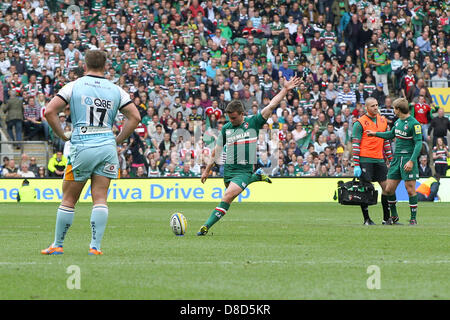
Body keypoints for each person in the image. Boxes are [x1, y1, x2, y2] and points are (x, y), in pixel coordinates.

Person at [41, 50, 140, 256]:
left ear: (84, 65)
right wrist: (118, 139)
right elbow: (135, 117)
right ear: (106, 66)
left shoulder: (74, 86)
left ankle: (58, 244)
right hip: (106, 146)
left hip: (83, 144)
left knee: (69, 198)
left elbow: (50, 111)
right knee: (100, 198)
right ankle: (95, 247)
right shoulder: (116, 90)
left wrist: (61, 135)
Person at [197, 76, 302, 236]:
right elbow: (216, 152)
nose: (231, 121)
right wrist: (207, 170)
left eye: (234, 118)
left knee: (227, 197)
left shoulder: (253, 122)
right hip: (229, 172)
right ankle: (256, 177)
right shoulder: (226, 128)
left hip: (243, 172)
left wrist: (285, 90)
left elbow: (271, 105)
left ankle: (205, 227)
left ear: (242, 114)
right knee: (229, 196)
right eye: (229, 118)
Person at [367, 98, 423, 225]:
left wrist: (412, 161)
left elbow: (418, 144)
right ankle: (394, 216)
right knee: (388, 189)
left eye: (394, 108)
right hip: (396, 159)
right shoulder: (398, 122)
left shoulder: (414, 124)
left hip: (408, 159)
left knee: (410, 189)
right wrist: (375, 134)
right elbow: (390, 134)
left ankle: (413, 218)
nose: (393, 111)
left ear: (399, 109)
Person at [352, 97, 396, 225]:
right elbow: (355, 145)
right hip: (365, 160)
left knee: (387, 188)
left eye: (377, 105)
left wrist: (391, 159)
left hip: (379, 160)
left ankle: (386, 219)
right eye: (372, 106)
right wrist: (356, 164)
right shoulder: (359, 123)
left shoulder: (383, 121)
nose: (375, 107)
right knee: (365, 190)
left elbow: (386, 142)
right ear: (366, 108)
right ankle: (366, 219)